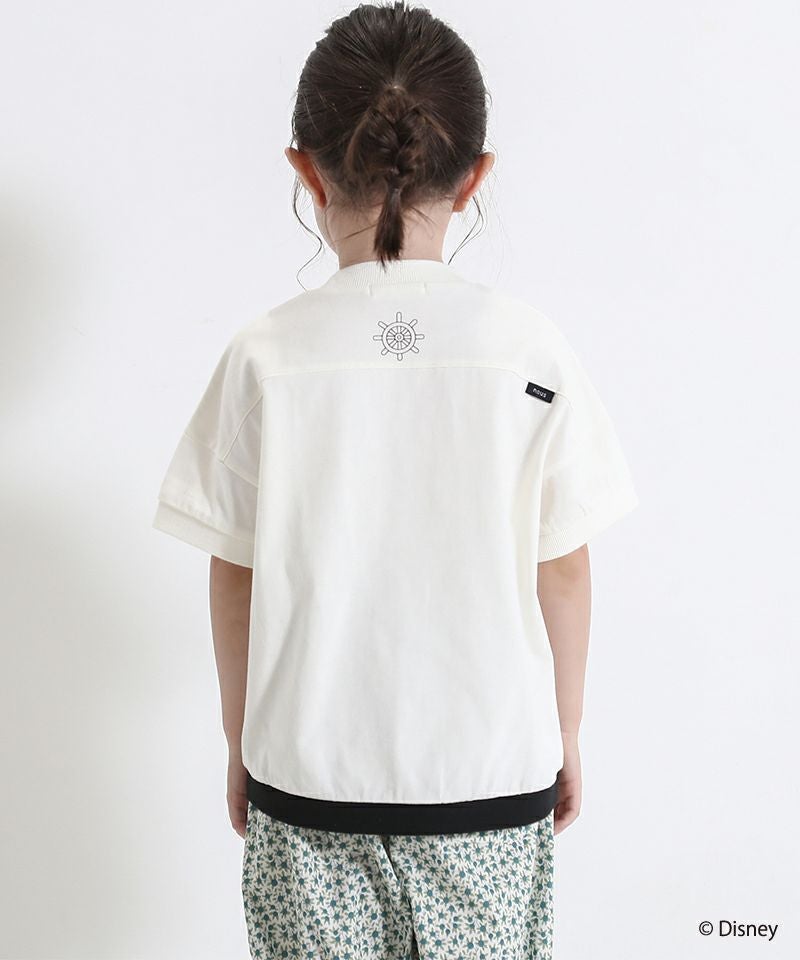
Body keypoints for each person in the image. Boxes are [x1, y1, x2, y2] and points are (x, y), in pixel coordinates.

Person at [151, 2, 639, 957]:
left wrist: (238, 741)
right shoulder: (529, 352)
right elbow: (564, 566)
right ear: (476, 177)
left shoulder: (265, 358)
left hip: (309, 787)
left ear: (305, 169)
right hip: (489, 784)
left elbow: (235, 573)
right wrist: (568, 732)